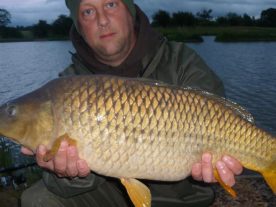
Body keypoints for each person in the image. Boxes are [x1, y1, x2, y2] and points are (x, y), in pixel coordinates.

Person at [21, 0, 243, 206]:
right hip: (109, 194)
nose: (102, 20)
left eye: (110, 4)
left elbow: (223, 121)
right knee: (37, 199)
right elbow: (62, 184)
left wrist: (218, 167)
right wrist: (66, 174)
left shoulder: (180, 61)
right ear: (79, 25)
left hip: (184, 198)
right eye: (88, 11)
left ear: (130, 10)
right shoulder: (66, 89)